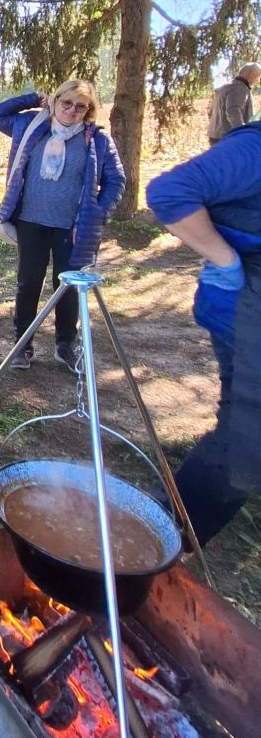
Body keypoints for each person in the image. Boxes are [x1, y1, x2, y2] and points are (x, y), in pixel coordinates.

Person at [146, 122, 261, 546]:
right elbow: (168, 193)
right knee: (248, 427)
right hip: (243, 304)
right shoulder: (254, 148)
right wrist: (226, 261)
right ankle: (160, 533)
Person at [0, 81, 125, 371]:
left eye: (80, 106)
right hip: (30, 222)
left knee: (68, 286)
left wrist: (97, 213)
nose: (72, 111)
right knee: (28, 283)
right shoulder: (30, 125)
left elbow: (116, 180)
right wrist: (33, 98)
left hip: (72, 228)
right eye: (66, 103)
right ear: (55, 101)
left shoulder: (96, 140)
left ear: (89, 111)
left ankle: (65, 345)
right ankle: (23, 346)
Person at [207, 63, 261, 145]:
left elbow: (211, 112)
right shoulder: (239, 88)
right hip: (228, 137)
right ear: (251, 75)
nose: (258, 80)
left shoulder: (226, 86)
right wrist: (242, 133)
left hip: (217, 135)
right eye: (258, 76)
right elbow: (233, 111)